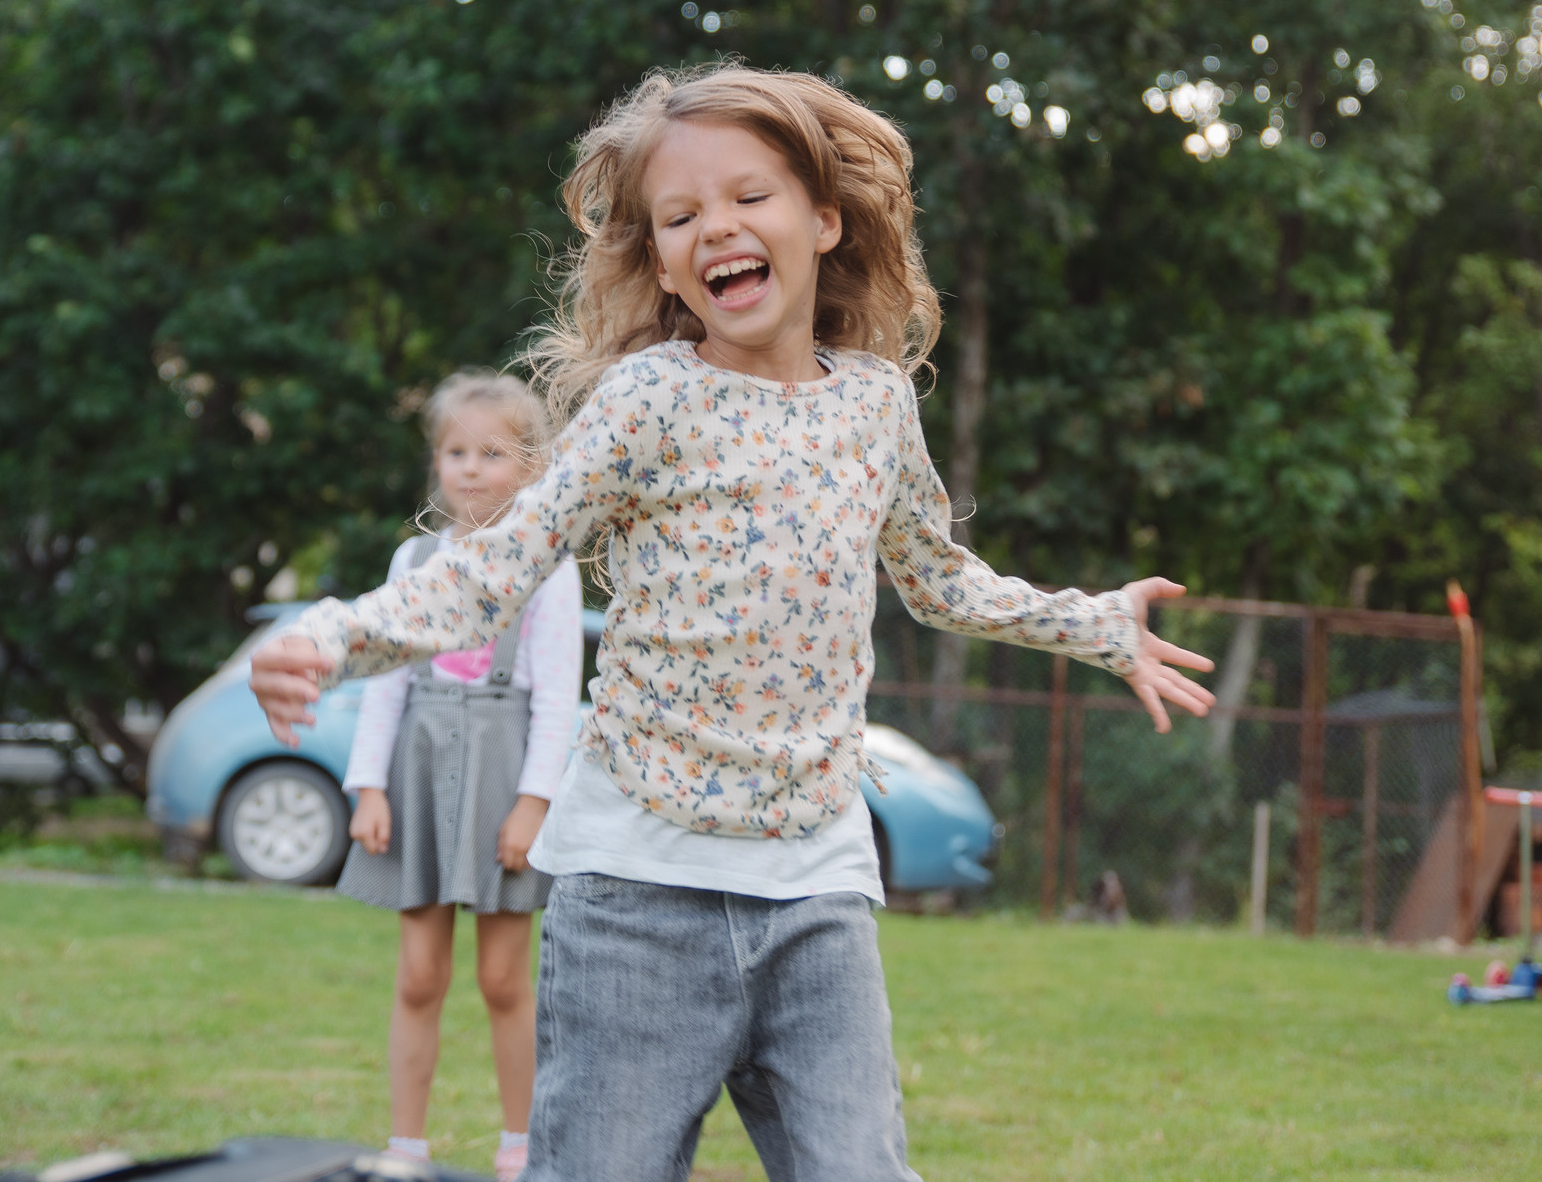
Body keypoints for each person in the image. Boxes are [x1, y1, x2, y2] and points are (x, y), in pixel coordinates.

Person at [252, 64, 1216, 1182]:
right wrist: (334, 634)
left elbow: (938, 577)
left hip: (815, 891)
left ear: (822, 218)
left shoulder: (874, 405)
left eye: (748, 196)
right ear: (660, 259)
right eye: (680, 215)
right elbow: (497, 562)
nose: (717, 227)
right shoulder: (648, 400)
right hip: (632, 895)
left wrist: (1092, 624)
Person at [339, 371, 582, 1182]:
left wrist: (533, 806)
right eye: (455, 452)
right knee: (419, 974)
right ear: (436, 462)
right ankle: (405, 1145)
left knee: (503, 977)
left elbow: (557, 702)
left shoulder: (549, 567)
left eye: (492, 452)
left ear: (533, 464)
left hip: (503, 779)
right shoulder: (414, 558)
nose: (471, 468)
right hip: (420, 770)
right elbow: (384, 678)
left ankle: (522, 1144)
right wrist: (369, 786)